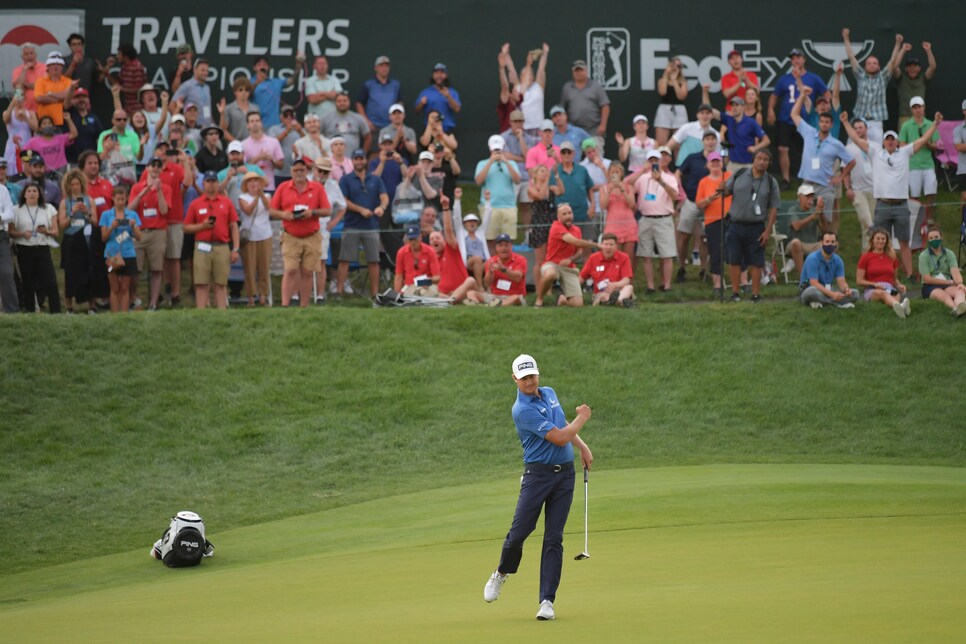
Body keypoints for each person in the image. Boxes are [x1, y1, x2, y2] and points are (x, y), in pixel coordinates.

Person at [482, 353, 593, 622]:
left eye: (532, 375)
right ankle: (501, 572)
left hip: (565, 477)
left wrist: (583, 447)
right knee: (520, 532)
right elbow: (558, 437)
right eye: (524, 378)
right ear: (515, 380)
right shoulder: (522, 410)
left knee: (554, 537)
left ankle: (547, 601)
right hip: (537, 476)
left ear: (538, 374)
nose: (530, 381)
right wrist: (583, 418)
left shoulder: (550, 393)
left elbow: (563, 425)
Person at [839, 110, 940, 282]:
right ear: (884, 141)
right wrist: (845, 123)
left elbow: (922, 141)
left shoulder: (905, 152)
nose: (891, 141)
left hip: (901, 205)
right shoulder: (875, 152)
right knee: (878, 241)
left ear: (896, 142)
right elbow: (856, 139)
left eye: (893, 139)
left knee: (904, 242)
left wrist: (935, 125)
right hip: (883, 205)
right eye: (888, 139)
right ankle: (875, 273)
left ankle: (909, 275)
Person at [269, 158, 331, 307]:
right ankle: (285, 305)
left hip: (312, 235)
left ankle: (304, 306)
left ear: (307, 171)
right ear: (291, 171)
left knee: (308, 272)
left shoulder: (317, 188)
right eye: (296, 170)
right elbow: (271, 210)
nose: (299, 173)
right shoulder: (284, 187)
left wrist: (312, 212)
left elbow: (328, 210)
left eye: (302, 170)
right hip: (291, 235)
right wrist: (283, 214)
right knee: (290, 270)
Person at [791, 88, 854, 232]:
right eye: (822, 121)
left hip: (825, 187)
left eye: (827, 122)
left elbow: (851, 161)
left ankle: (828, 246)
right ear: (818, 122)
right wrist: (802, 95)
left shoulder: (836, 144)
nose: (824, 124)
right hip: (807, 183)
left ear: (831, 125)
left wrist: (841, 177)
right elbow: (794, 114)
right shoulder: (809, 132)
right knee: (804, 217)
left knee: (826, 223)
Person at [722, 149, 780, 303]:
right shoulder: (740, 173)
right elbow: (726, 191)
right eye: (759, 158)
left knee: (756, 261)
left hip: (756, 227)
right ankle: (735, 293)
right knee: (734, 259)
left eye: (765, 159)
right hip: (735, 224)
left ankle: (755, 294)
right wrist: (722, 189)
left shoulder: (771, 182)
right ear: (753, 160)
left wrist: (767, 231)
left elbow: (774, 208)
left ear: (769, 163)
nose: (762, 162)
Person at [768, 48, 829, 190]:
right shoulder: (785, 78)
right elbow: (774, 95)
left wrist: (825, 107)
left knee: (809, 150)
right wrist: (771, 109)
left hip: (806, 121)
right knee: (782, 148)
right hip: (786, 119)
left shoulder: (813, 78)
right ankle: (786, 179)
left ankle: (809, 178)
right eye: (793, 58)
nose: (796, 60)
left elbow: (826, 92)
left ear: (804, 59)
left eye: (798, 57)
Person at [183, 171, 241, 309]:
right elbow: (186, 228)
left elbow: (234, 226)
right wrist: (202, 226)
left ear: (217, 183)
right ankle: (201, 312)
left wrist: (235, 249)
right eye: (208, 181)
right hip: (202, 246)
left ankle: (221, 313)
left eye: (213, 181)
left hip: (222, 246)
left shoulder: (226, 202)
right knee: (201, 283)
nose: (211, 184)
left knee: (221, 283)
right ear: (203, 184)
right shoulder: (196, 204)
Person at [337, 149, 388, 299]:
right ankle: (339, 292)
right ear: (352, 161)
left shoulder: (376, 179)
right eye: (356, 159)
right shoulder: (345, 179)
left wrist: (381, 207)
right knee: (344, 259)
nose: (359, 161)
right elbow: (343, 201)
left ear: (366, 160)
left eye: (362, 158)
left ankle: (375, 294)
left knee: (374, 260)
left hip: (371, 225)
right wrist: (360, 210)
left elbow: (384, 197)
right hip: (351, 224)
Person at [627, 149, 679, 294]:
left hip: (664, 219)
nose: (654, 163)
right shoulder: (642, 178)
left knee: (667, 255)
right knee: (646, 255)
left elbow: (675, 196)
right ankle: (650, 286)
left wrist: (660, 181)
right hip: (645, 219)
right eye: (651, 161)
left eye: (656, 160)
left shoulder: (669, 178)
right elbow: (627, 183)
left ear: (661, 161)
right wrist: (642, 170)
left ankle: (666, 285)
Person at [674, 131, 719, 283]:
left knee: (706, 237)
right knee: (684, 235)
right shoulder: (693, 158)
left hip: (711, 205)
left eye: (713, 139)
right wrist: (681, 192)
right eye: (708, 139)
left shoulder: (719, 161)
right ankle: (681, 267)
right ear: (703, 141)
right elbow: (678, 173)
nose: (710, 142)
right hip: (692, 201)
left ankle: (703, 270)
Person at [534, 203, 599, 307]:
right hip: (552, 263)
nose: (568, 216)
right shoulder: (556, 226)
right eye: (564, 214)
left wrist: (571, 259)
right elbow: (575, 242)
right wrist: (596, 245)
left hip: (568, 267)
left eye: (570, 213)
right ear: (559, 217)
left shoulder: (577, 230)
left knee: (578, 304)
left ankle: (562, 298)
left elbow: (579, 251)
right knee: (550, 274)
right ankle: (539, 300)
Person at [129, 158, 173, 310]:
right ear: (147, 167)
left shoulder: (166, 189)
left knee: (156, 269)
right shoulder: (136, 187)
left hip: (158, 232)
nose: (155, 168)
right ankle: (134, 298)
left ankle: (153, 303)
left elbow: (164, 211)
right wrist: (141, 194)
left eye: (159, 166)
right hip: (140, 232)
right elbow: (130, 209)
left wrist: (159, 190)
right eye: (153, 165)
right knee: (134, 269)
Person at [842, 28, 900, 142]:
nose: (872, 65)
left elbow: (892, 61)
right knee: (852, 149)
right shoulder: (860, 75)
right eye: (869, 63)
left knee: (876, 152)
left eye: (874, 63)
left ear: (879, 67)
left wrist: (898, 44)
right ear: (865, 67)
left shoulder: (883, 77)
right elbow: (851, 57)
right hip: (858, 120)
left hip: (875, 122)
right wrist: (846, 37)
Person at [10, 183, 61, 312]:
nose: (32, 193)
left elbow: (56, 231)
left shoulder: (48, 208)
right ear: (24, 194)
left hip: (42, 248)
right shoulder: (16, 210)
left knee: (50, 282)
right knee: (28, 282)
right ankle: (30, 310)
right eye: (29, 191)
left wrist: (46, 231)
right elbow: (11, 232)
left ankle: (56, 311)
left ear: (39, 194)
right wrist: (22, 234)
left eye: (35, 191)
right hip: (24, 249)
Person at [98, 185, 142, 313]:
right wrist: (111, 227)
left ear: (127, 199)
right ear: (113, 199)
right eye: (118, 199)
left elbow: (139, 237)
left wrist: (133, 227)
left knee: (125, 287)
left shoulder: (132, 214)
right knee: (114, 287)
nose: (120, 202)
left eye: (123, 199)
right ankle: (115, 315)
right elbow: (103, 238)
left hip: (128, 254)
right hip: (111, 255)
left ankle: (124, 315)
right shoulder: (106, 215)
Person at [694, 152, 731, 297]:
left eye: (718, 162)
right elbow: (698, 204)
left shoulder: (729, 176)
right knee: (715, 252)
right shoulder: (704, 182)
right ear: (707, 165)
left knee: (735, 249)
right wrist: (709, 199)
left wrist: (725, 190)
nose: (715, 164)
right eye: (712, 162)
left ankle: (742, 282)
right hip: (712, 220)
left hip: (730, 218)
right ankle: (717, 284)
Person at [429, 194, 478, 303]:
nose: (434, 240)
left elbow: (448, 230)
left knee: (470, 280)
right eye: (431, 239)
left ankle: (449, 301)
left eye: (437, 238)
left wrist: (445, 208)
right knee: (427, 289)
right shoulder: (430, 260)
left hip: (465, 291)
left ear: (444, 240)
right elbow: (425, 281)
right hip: (443, 295)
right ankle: (449, 300)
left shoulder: (451, 249)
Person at [56, 170, 93, 313]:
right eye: (72, 184)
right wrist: (72, 214)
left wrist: (86, 213)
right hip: (71, 239)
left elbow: (95, 221)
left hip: (86, 238)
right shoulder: (64, 203)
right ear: (68, 186)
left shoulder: (89, 200)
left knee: (88, 271)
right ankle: (69, 307)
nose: (75, 187)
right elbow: (62, 226)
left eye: (78, 184)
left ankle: (91, 305)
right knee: (69, 273)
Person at [80, 151, 113, 309]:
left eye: (96, 163)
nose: (93, 166)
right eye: (90, 163)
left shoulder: (107, 184)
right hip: (87, 229)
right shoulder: (79, 186)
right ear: (83, 166)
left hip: (106, 229)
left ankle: (106, 297)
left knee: (105, 263)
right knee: (89, 264)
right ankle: (91, 300)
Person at [475, 135, 520, 252]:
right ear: (490, 149)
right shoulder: (482, 163)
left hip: (508, 207)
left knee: (508, 241)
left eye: (499, 149)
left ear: (503, 148)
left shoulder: (511, 163)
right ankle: (492, 267)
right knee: (490, 241)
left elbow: (517, 180)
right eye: (495, 149)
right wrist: (490, 162)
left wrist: (506, 162)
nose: (497, 152)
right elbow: (479, 181)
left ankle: (507, 267)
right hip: (490, 207)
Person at [899, 96, 940, 225]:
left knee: (931, 193)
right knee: (914, 194)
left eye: (919, 107)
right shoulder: (906, 125)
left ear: (924, 108)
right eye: (915, 108)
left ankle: (929, 218)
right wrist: (915, 146)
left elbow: (936, 145)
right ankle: (914, 218)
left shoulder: (930, 124)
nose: (917, 110)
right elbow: (901, 146)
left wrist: (926, 144)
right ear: (912, 110)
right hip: (913, 165)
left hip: (928, 164)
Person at [236, 172, 273, 307]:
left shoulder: (267, 196)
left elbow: (270, 208)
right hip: (250, 237)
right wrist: (256, 198)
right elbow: (248, 211)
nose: (253, 184)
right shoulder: (242, 197)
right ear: (246, 185)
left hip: (265, 235)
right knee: (250, 268)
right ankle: (251, 297)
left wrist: (261, 195)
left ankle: (263, 296)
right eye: (250, 181)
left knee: (264, 266)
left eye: (256, 181)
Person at [856, 227, 909, 319]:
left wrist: (900, 285)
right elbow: (859, 281)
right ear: (872, 240)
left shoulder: (892, 257)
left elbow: (894, 279)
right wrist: (874, 284)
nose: (880, 241)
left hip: (889, 287)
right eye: (878, 238)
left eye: (883, 239)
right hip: (873, 289)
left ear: (886, 241)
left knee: (896, 294)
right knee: (882, 293)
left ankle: (898, 308)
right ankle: (901, 307)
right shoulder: (866, 257)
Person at [798, 231, 858, 309]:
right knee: (812, 292)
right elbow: (814, 283)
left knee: (855, 293)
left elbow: (842, 282)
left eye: (833, 242)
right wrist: (832, 295)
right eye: (827, 242)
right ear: (821, 243)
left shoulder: (838, 260)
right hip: (810, 290)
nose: (830, 244)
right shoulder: (813, 259)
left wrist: (846, 290)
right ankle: (838, 303)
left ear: (836, 243)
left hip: (828, 290)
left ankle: (823, 302)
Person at [526, 163, 564, 287]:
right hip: (538, 225)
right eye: (541, 171)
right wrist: (546, 181)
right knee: (540, 260)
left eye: (545, 171)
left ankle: (548, 287)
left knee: (550, 258)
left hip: (551, 224)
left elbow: (562, 191)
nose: (544, 173)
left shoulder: (551, 188)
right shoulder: (531, 189)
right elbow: (540, 196)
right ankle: (539, 287)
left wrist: (556, 175)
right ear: (535, 174)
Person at [464, 232, 527, 306]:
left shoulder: (520, 259)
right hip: (494, 296)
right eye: (500, 245)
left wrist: (503, 269)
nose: (504, 248)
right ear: (496, 248)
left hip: (513, 295)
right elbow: (487, 284)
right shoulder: (491, 261)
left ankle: (495, 305)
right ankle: (479, 305)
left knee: (517, 298)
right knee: (470, 293)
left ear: (511, 247)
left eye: (506, 245)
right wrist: (490, 272)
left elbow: (518, 278)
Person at [555, 141, 596, 252]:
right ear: (561, 154)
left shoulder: (582, 170)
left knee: (586, 246)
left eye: (569, 152)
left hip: (583, 214)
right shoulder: (555, 171)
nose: (567, 155)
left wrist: (592, 206)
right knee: (564, 249)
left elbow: (590, 189)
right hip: (563, 217)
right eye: (564, 152)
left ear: (574, 153)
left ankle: (588, 269)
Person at [559, 59, 609, 148]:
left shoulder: (596, 86)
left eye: (581, 70)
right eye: (576, 71)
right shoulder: (567, 88)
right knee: (573, 158)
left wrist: (603, 125)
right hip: (573, 130)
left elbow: (605, 106)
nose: (579, 73)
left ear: (586, 71)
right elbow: (562, 109)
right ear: (573, 72)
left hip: (593, 130)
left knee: (594, 158)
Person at [842, 117, 875, 248]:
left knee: (869, 225)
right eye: (855, 128)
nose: (858, 130)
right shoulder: (848, 148)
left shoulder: (875, 146)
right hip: (858, 190)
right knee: (868, 222)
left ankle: (868, 256)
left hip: (874, 189)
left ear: (866, 129)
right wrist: (848, 188)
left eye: (861, 127)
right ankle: (869, 256)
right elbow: (845, 171)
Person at [782, 184, 828, 279]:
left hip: (813, 244)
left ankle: (824, 278)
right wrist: (813, 216)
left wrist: (821, 214)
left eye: (812, 196)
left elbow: (826, 230)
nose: (810, 199)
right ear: (799, 197)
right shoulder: (793, 210)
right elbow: (796, 226)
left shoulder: (814, 211)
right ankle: (803, 278)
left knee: (830, 244)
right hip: (797, 243)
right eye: (807, 196)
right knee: (796, 243)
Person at [918, 227, 966, 317]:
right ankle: (954, 308)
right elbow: (926, 279)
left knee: (960, 291)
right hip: (930, 286)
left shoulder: (949, 253)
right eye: (931, 238)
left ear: (941, 237)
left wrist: (960, 283)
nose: (934, 240)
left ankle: (961, 305)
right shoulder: (923, 256)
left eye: (936, 237)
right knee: (943, 296)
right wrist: (948, 282)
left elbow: (955, 271)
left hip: (947, 284)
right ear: (928, 240)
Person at [892, 37, 936, 127]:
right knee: (903, 141)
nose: (912, 69)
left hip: (921, 116)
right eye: (909, 66)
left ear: (919, 68)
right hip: (904, 117)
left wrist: (928, 50)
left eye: (915, 66)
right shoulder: (901, 78)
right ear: (905, 68)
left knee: (922, 140)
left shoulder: (923, 78)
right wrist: (903, 50)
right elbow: (894, 67)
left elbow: (932, 67)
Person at [580, 233, 634, 306]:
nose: (608, 247)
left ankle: (616, 300)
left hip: (618, 290)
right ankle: (621, 302)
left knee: (629, 288)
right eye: (606, 244)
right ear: (601, 245)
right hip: (600, 292)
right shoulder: (593, 258)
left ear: (616, 246)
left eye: (611, 245)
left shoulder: (624, 257)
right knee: (603, 296)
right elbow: (582, 277)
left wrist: (615, 284)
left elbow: (626, 280)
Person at [251, 54, 304, 129]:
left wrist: (298, 65)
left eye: (264, 64)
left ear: (268, 67)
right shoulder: (249, 83)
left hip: (275, 126)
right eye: (259, 65)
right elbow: (247, 95)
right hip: (257, 125)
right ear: (254, 68)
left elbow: (292, 80)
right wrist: (256, 83)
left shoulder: (276, 82)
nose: (262, 67)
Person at [356, 56, 402, 138]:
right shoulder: (368, 85)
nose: (384, 68)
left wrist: (397, 120)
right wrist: (366, 121)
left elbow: (399, 103)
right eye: (381, 66)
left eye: (386, 66)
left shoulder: (395, 85)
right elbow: (359, 104)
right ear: (376, 68)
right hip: (373, 127)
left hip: (391, 126)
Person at [598, 163, 636, 257]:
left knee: (628, 257)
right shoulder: (604, 188)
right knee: (615, 256)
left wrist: (623, 190)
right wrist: (609, 191)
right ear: (609, 174)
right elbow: (603, 206)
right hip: (612, 225)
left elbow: (632, 204)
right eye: (612, 172)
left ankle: (628, 272)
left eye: (617, 172)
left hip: (628, 224)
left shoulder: (628, 187)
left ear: (621, 174)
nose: (615, 174)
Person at [242, 112, 284, 192]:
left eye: (257, 121)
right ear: (248, 125)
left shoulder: (273, 142)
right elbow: (242, 168)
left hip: (269, 186)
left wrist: (272, 159)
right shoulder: (243, 144)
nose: (255, 124)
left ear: (261, 123)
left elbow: (281, 166)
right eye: (252, 121)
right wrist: (258, 158)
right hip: (251, 189)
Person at [394, 224, 440, 296]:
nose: (413, 242)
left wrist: (428, 281)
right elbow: (398, 276)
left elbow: (437, 277)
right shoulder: (401, 253)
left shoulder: (430, 251)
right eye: (410, 240)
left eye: (414, 239)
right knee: (412, 294)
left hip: (428, 285)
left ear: (420, 237)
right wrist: (396, 295)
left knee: (427, 293)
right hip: (410, 286)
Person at [415, 63, 461, 133]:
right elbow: (416, 110)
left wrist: (449, 97)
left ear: (446, 75)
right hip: (429, 131)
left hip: (447, 130)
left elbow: (457, 109)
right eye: (436, 73)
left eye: (442, 73)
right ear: (433, 75)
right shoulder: (425, 92)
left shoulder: (452, 92)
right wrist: (421, 103)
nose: (439, 76)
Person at [34, 52, 76, 128]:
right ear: (48, 67)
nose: (55, 67)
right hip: (44, 122)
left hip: (63, 121)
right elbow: (39, 98)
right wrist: (61, 99)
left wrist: (50, 93)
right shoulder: (40, 81)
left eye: (58, 65)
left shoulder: (68, 81)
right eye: (52, 64)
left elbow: (68, 95)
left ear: (62, 67)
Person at [322, 91, 371, 156]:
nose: (342, 103)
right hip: (331, 160)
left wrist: (362, 154)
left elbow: (368, 137)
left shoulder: (358, 118)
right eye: (339, 101)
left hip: (353, 160)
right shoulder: (326, 118)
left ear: (349, 102)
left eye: (345, 101)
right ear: (335, 103)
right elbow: (317, 136)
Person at [653, 57, 688, 146]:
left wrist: (675, 81)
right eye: (673, 65)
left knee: (679, 144)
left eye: (678, 66)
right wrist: (666, 73)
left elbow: (681, 97)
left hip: (679, 110)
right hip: (664, 110)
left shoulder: (683, 82)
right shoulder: (662, 80)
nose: (675, 68)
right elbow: (662, 92)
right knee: (661, 144)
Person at [107, 44, 147, 117]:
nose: (117, 56)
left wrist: (121, 88)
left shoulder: (137, 67)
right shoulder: (124, 67)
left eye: (119, 54)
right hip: (127, 109)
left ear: (125, 56)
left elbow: (139, 89)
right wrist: (106, 73)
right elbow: (117, 84)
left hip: (138, 109)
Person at [171, 59, 213, 127]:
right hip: (193, 129)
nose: (205, 73)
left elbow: (208, 109)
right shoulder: (187, 85)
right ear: (195, 70)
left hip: (207, 129)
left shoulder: (207, 88)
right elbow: (172, 105)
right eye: (202, 70)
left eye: (207, 71)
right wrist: (182, 122)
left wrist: (212, 124)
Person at [3, 91, 37, 170]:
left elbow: (35, 128)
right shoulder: (7, 113)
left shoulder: (31, 113)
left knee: (26, 169)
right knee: (10, 170)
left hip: (26, 146)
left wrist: (26, 116)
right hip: (12, 147)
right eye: (17, 97)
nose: (19, 100)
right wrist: (12, 104)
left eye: (21, 97)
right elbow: (5, 119)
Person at [219, 77, 258, 142]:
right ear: (235, 92)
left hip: (252, 146)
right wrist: (236, 143)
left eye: (246, 90)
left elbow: (258, 129)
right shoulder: (229, 108)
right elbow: (223, 130)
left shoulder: (255, 108)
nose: (244, 92)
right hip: (235, 148)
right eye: (240, 90)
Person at [0, 180, 18, 313]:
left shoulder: (2, 190)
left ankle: (11, 311)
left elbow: (10, 213)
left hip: (1, 236)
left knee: (6, 272)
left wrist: (0, 217)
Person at [11, 43, 46, 111]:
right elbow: (18, 87)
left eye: (31, 53)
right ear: (22, 57)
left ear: (35, 55)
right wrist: (25, 70)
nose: (29, 56)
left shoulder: (44, 67)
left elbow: (44, 86)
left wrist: (26, 84)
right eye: (26, 54)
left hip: (43, 108)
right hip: (25, 110)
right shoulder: (17, 70)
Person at [305, 56, 343, 120]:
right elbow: (312, 99)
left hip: (333, 119)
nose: (322, 66)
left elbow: (337, 96)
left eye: (324, 64)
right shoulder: (309, 80)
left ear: (327, 65)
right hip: (314, 120)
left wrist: (321, 93)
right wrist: (329, 94)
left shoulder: (335, 80)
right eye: (319, 64)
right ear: (314, 66)